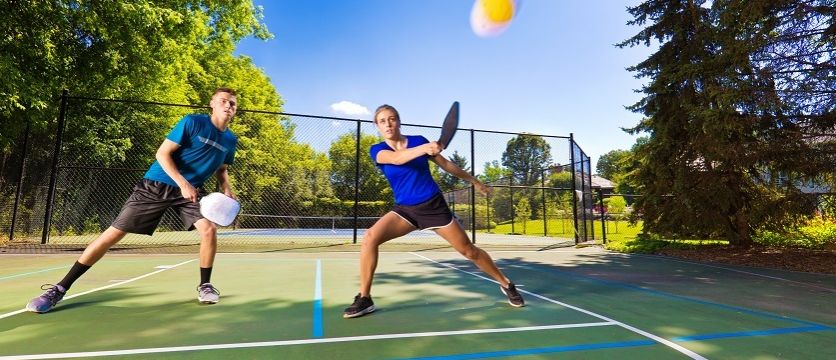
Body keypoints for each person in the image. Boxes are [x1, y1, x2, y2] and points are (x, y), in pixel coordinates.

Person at [26, 88, 239, 313]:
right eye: (223, 101)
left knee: (209, 230)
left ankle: (205, 285)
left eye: (232, 104)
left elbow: (222, 168)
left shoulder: (230, 140)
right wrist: (182, 182)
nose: (228, 106)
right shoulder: (192, 123)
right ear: (212, 104)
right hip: (157, 185)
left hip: (190, 193)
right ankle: (59, 289)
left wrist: (226, 187)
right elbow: (162, 154)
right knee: (114, 233)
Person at [343, 104, 524, 319]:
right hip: (405, 211)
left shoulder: (419, 140)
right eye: (382, 121)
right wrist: (427, 148)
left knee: (469, 251)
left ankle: (506, 283)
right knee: (370, 237)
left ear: (399, 121)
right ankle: (365, 298)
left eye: (392, 119)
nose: (388, 124)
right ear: (377, 125)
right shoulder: (378, 150)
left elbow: (446, 164)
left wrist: (474, 181)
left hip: (433, 206)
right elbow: (397, 159)